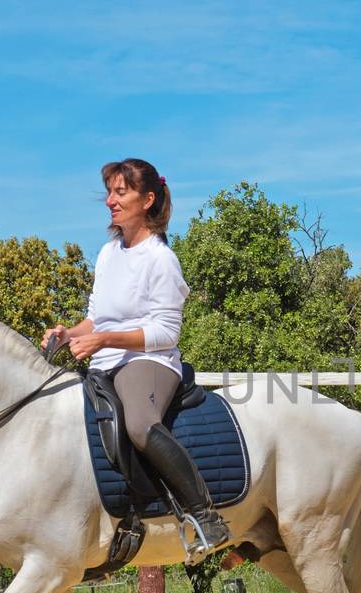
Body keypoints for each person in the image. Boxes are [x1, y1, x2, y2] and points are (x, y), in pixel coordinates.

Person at [42, 158, 233, 556]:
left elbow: (166, 333)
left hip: (150, 362)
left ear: (147, 200)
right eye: (109, 192)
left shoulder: (161, 260)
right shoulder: (109, 253)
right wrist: (69, 333)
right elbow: (96, 316)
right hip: (105, 359)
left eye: (120, 192)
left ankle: (205, 515)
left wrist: (104, 341)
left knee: (141, 425)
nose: (111, 200)